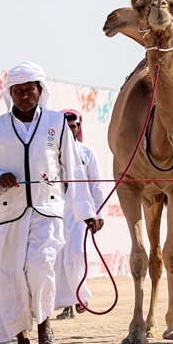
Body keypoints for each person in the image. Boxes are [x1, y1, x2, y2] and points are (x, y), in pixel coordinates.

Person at [0, 62, 103, 344]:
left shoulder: (57, 124)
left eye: (29, 90)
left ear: (40, 91)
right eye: (17, 91)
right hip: (9, 215)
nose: (24, 96)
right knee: (9, 277)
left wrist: (87, 211)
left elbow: (73, 169)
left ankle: (45, 330)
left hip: (47, 211)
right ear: (10, 93)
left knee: (42, 268)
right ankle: (22, 342)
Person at [54, 109, 106, 320]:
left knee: (76, 254)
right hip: (56, 210)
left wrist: (98, 212)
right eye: (65, 127)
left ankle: (80, 296)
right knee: (59, 258)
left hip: (81, 212)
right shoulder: (50, 154)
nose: (69, 130)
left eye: (73, 126)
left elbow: (96, 185)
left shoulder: (87, 153)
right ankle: (68, 303)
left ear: (78, 127)